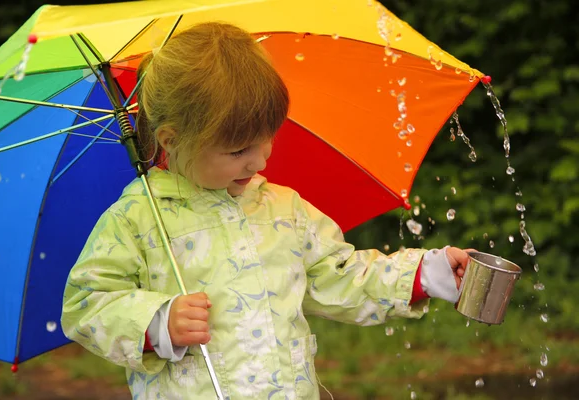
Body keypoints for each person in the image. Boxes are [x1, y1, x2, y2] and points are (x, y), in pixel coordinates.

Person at [61, 22, 472, 400]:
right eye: (239, 150)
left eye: (265, 141)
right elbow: (86, 303)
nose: (259, 161)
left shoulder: (283, 210)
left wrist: (423, 274)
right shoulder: (137, 217)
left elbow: (342, 276)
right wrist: (155, 323)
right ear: (170, 139)